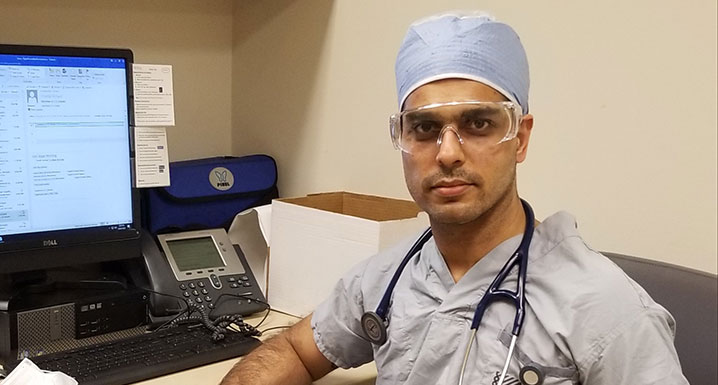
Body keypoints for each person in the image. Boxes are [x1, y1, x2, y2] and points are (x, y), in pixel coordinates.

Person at [221, 11, 688, 385]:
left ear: (520, 138)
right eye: (424, 128)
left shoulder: (607, 312)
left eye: (478, 124)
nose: (447, 153)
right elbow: (296, 351)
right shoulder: (384, 279)